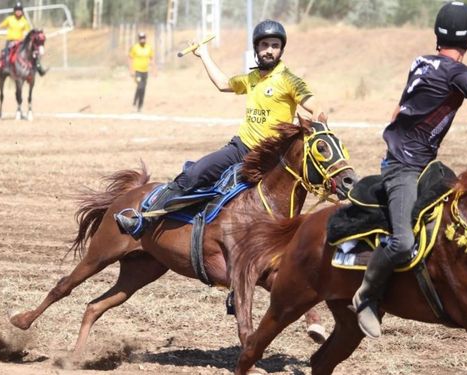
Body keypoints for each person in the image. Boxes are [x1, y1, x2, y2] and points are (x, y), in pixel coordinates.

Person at [351, 1, 467, 339]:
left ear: (437, 33)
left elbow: (399, 109)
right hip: (403, 168)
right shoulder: (460, 74)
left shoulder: (421, 62)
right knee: (401, 242)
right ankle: (366, 296)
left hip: (425, 164)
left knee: (464, 221)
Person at [116, 19, 319, 237]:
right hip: (241, 148)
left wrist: (303, 128)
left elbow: (316, 110)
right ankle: (144, 220)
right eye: (264, 45)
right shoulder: (252, 78)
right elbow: (223, 84)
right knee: (195, 174)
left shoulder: (290, 80)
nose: (269, 50)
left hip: (270, 158)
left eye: (275, 46)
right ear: (256, 48)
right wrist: (204, 54)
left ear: (281, 50)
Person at [0, 2, 47, 76]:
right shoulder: (9, 19)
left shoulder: (24, 21)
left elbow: (28, 32)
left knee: (33, 53)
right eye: (17, 10)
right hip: (10, 41)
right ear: (14, 11)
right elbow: (0, 26)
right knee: (5, 53)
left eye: (20, 10)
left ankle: (39, 68)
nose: (18, 12)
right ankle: (5, 67)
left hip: (20, 42)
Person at [129, 32, 155, 112]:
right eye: (141, 38)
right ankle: (134, 102)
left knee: (143, 89)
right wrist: (131, 70)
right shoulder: (135, 47)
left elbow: (152, 59)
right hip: (137, 71)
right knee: (140, 86)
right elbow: (130, 58)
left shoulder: (148, 48)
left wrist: (154, 70)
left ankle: (140, 105)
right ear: (139, 39)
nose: (142, 39)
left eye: (143, 37)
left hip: (145, 71)